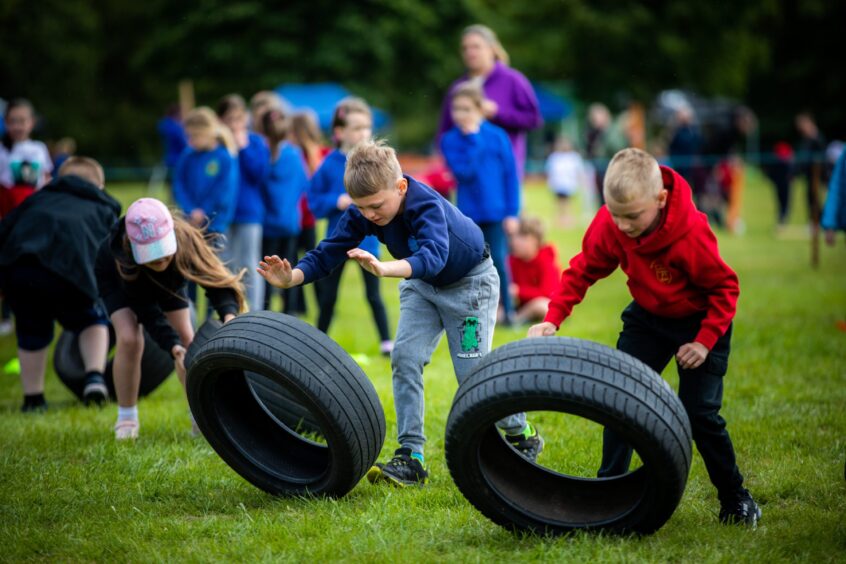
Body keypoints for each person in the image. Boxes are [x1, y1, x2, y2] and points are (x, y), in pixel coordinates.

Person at [258, 139, 543, 486]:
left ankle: (520, 432)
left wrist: (384, 268)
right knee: (404, 358)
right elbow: (329, 252)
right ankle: (412, 457)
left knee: (472, 373)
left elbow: (434, 256)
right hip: (421, 287)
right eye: (362, 209)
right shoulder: (364, 209)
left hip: (470, 286)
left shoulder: (426, 205)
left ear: (401, 186)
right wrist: (292, 278)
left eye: (376, 206)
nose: (369, 216)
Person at [528, 148, 761, 526]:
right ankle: (607, 492)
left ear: (661, 199)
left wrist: (703, 341)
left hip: (701, 322)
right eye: (615, 214)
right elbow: (582, 269)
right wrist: (553, 318)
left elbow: (725, 287)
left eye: (633, 216)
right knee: (620, 401)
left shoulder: (691, 234)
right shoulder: (612, 221)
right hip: (648, 319)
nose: (622, 225)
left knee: (700, 416)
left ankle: (736, 497)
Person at [95, 198, 246, 440]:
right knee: (130, 338)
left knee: (189, 341)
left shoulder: (186, 240)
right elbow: (147, 311)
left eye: (164, 255)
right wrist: (171, 346)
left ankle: (201, 416)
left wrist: (229, 317)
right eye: (153, 258)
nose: (161, 262)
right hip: (117, 282)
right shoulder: (123, 258)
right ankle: (127, 418)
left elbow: (217, 281)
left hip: (170, 283)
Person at [0, 157, 119, 411]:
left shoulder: (37, 199)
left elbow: (5, 230)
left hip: (22, 269)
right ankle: (94, 377)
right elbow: (112, 252)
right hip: (72, 271)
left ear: (57, 181)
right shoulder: (103, 206)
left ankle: (34, 399)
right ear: (99, 185)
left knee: (31, 331)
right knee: (92, 319)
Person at [306, 98, 392, 355]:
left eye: (367, 127)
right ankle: (317, 342)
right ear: (339, 132)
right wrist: (336, 200)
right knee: (329, 296)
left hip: (368, 240)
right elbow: (314, 201)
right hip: (338, 239)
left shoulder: (375, 164)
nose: (363, 133)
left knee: (374, 294)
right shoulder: (329, 164)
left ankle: (387, 343)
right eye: (356, 128)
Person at [440, 82, 520, 324]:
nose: (460, 115)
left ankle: (508, 313)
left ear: (479, 109)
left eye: (466, 109)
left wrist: (512, 212)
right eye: (456, 109)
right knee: (471, 264)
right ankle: (471, 313)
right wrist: (473, 140)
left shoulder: (497, 136)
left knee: (500, 262)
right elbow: (464, 173)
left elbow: (510, 175)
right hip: (468, 214)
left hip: (496, 212)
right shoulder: (450, 140)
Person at [437, 24, 542, 179]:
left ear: (492, 48)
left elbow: (533, 120)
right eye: (465, 48)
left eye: (476, 47)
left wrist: (498, 113)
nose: (470, 52)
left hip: (504, 169)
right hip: (466, 170)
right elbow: (444, 129)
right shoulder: (458, 87)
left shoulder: (513, 80)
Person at [0, 99, 53, 335]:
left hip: (33, 213)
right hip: (9, 215)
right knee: (9, 262)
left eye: (22, 121)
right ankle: (7, 314)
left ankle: (37, 308)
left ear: (31, 122)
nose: (18, 126)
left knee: (33, 260)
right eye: (13, 121)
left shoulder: (38, 149)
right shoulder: (2, 150)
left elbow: (45, 178)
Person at [217, 94, 270, 310]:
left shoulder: (255, 142)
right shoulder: (217, 146)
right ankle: (225, 310)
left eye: (239, 118)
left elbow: (260, 174)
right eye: (230, 119)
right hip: (222, 214)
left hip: (249, 213)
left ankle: (254, 312)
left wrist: (244, 147)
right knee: (223, 265)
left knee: (250, 264)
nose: (235, 124)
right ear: (220, 120)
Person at [260, 109, 309, 312]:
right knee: (289, 272)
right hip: (290, 222)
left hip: (267, 225)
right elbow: (304, 184)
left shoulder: (261, 155)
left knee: (265, 274)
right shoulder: (295, 155)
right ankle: (289, 316)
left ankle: (264, 315)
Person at [172, 107, 239, 238]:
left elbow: (223, 192)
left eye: (194, 136)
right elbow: (178, 185)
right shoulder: (187, 155)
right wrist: (190, 210)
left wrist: (203, 212)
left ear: (208, 133)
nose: (190, 141)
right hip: (189, 225)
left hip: (215, 226)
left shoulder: (225, 157)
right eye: (188, 136)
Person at [286, 111, 329, 316]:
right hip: (305, 216)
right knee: (311, 260)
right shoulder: (316, 153)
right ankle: (317, 303)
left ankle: (299, 305)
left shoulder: (297, 154)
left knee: (298, 261)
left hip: (297, 216)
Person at [508, 216, 561, 325]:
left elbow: (548, 293)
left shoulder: (545, 261)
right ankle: (513, 318)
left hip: (539, 304)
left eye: (521, 237)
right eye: (513, 237)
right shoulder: (512, 260)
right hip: (518, 306)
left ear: (534, 240)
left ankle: (515, 320)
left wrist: (518, 291)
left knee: (543, 306)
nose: (514, 242)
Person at [545, 136, 588, 228]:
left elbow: (579, 171)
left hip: (569, 184)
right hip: (558, 184)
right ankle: (559, 220)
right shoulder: (554, 157)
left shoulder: (574, 157)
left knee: (567, 203)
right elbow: (550, 171)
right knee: (559, 203)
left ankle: (568, 220)